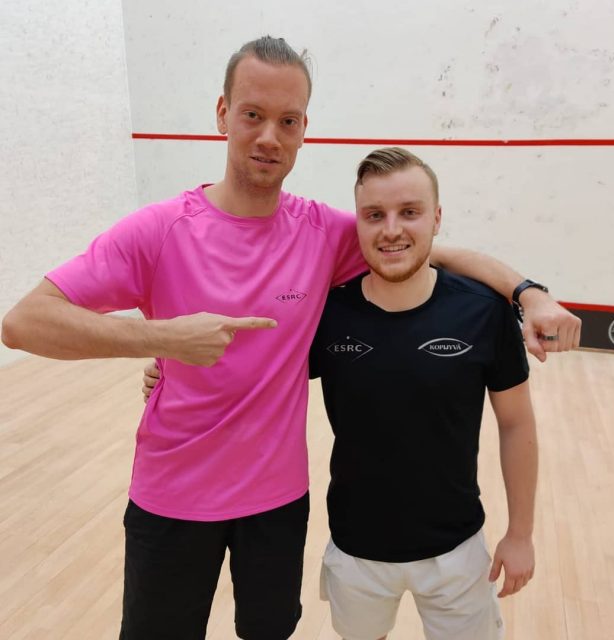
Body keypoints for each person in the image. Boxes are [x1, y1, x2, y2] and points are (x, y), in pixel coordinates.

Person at [2, 37, 578, 640]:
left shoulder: (322, 233)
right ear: (223, 114)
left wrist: (528, 293)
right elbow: (23, 322)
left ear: (305, 129)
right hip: (171, 498)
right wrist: (162, 339)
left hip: (276, 505)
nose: (269, 137)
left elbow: (426, 250)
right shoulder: (158, 230)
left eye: (287, 121)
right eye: (253, 114)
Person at [312, 147, 536, 639]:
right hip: (355, 550)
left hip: (457, 552)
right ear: (358, 224)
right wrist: (169, 372)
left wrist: (520, 534)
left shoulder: (483, 312)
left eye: (409, 212)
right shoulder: (326, 315)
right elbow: (261, 379)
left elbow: (516, 422)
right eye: (375, 215)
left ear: (436, 218)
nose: (391, 229)